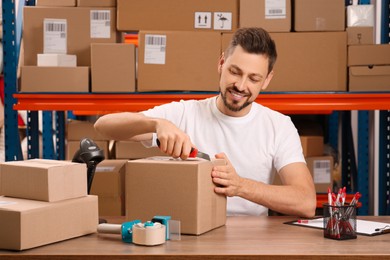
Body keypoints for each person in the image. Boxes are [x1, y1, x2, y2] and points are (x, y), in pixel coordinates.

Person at [94, 27, 316, 218]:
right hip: (190, 234)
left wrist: (240, 186)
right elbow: (103, 126)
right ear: (221, 63)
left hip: (250, 238)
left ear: (266, 80)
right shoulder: (184, 113)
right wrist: (156, 124)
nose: (240, 85)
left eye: (253, 78)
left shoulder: (278, 126)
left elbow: (306, 202)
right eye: (234, 71)